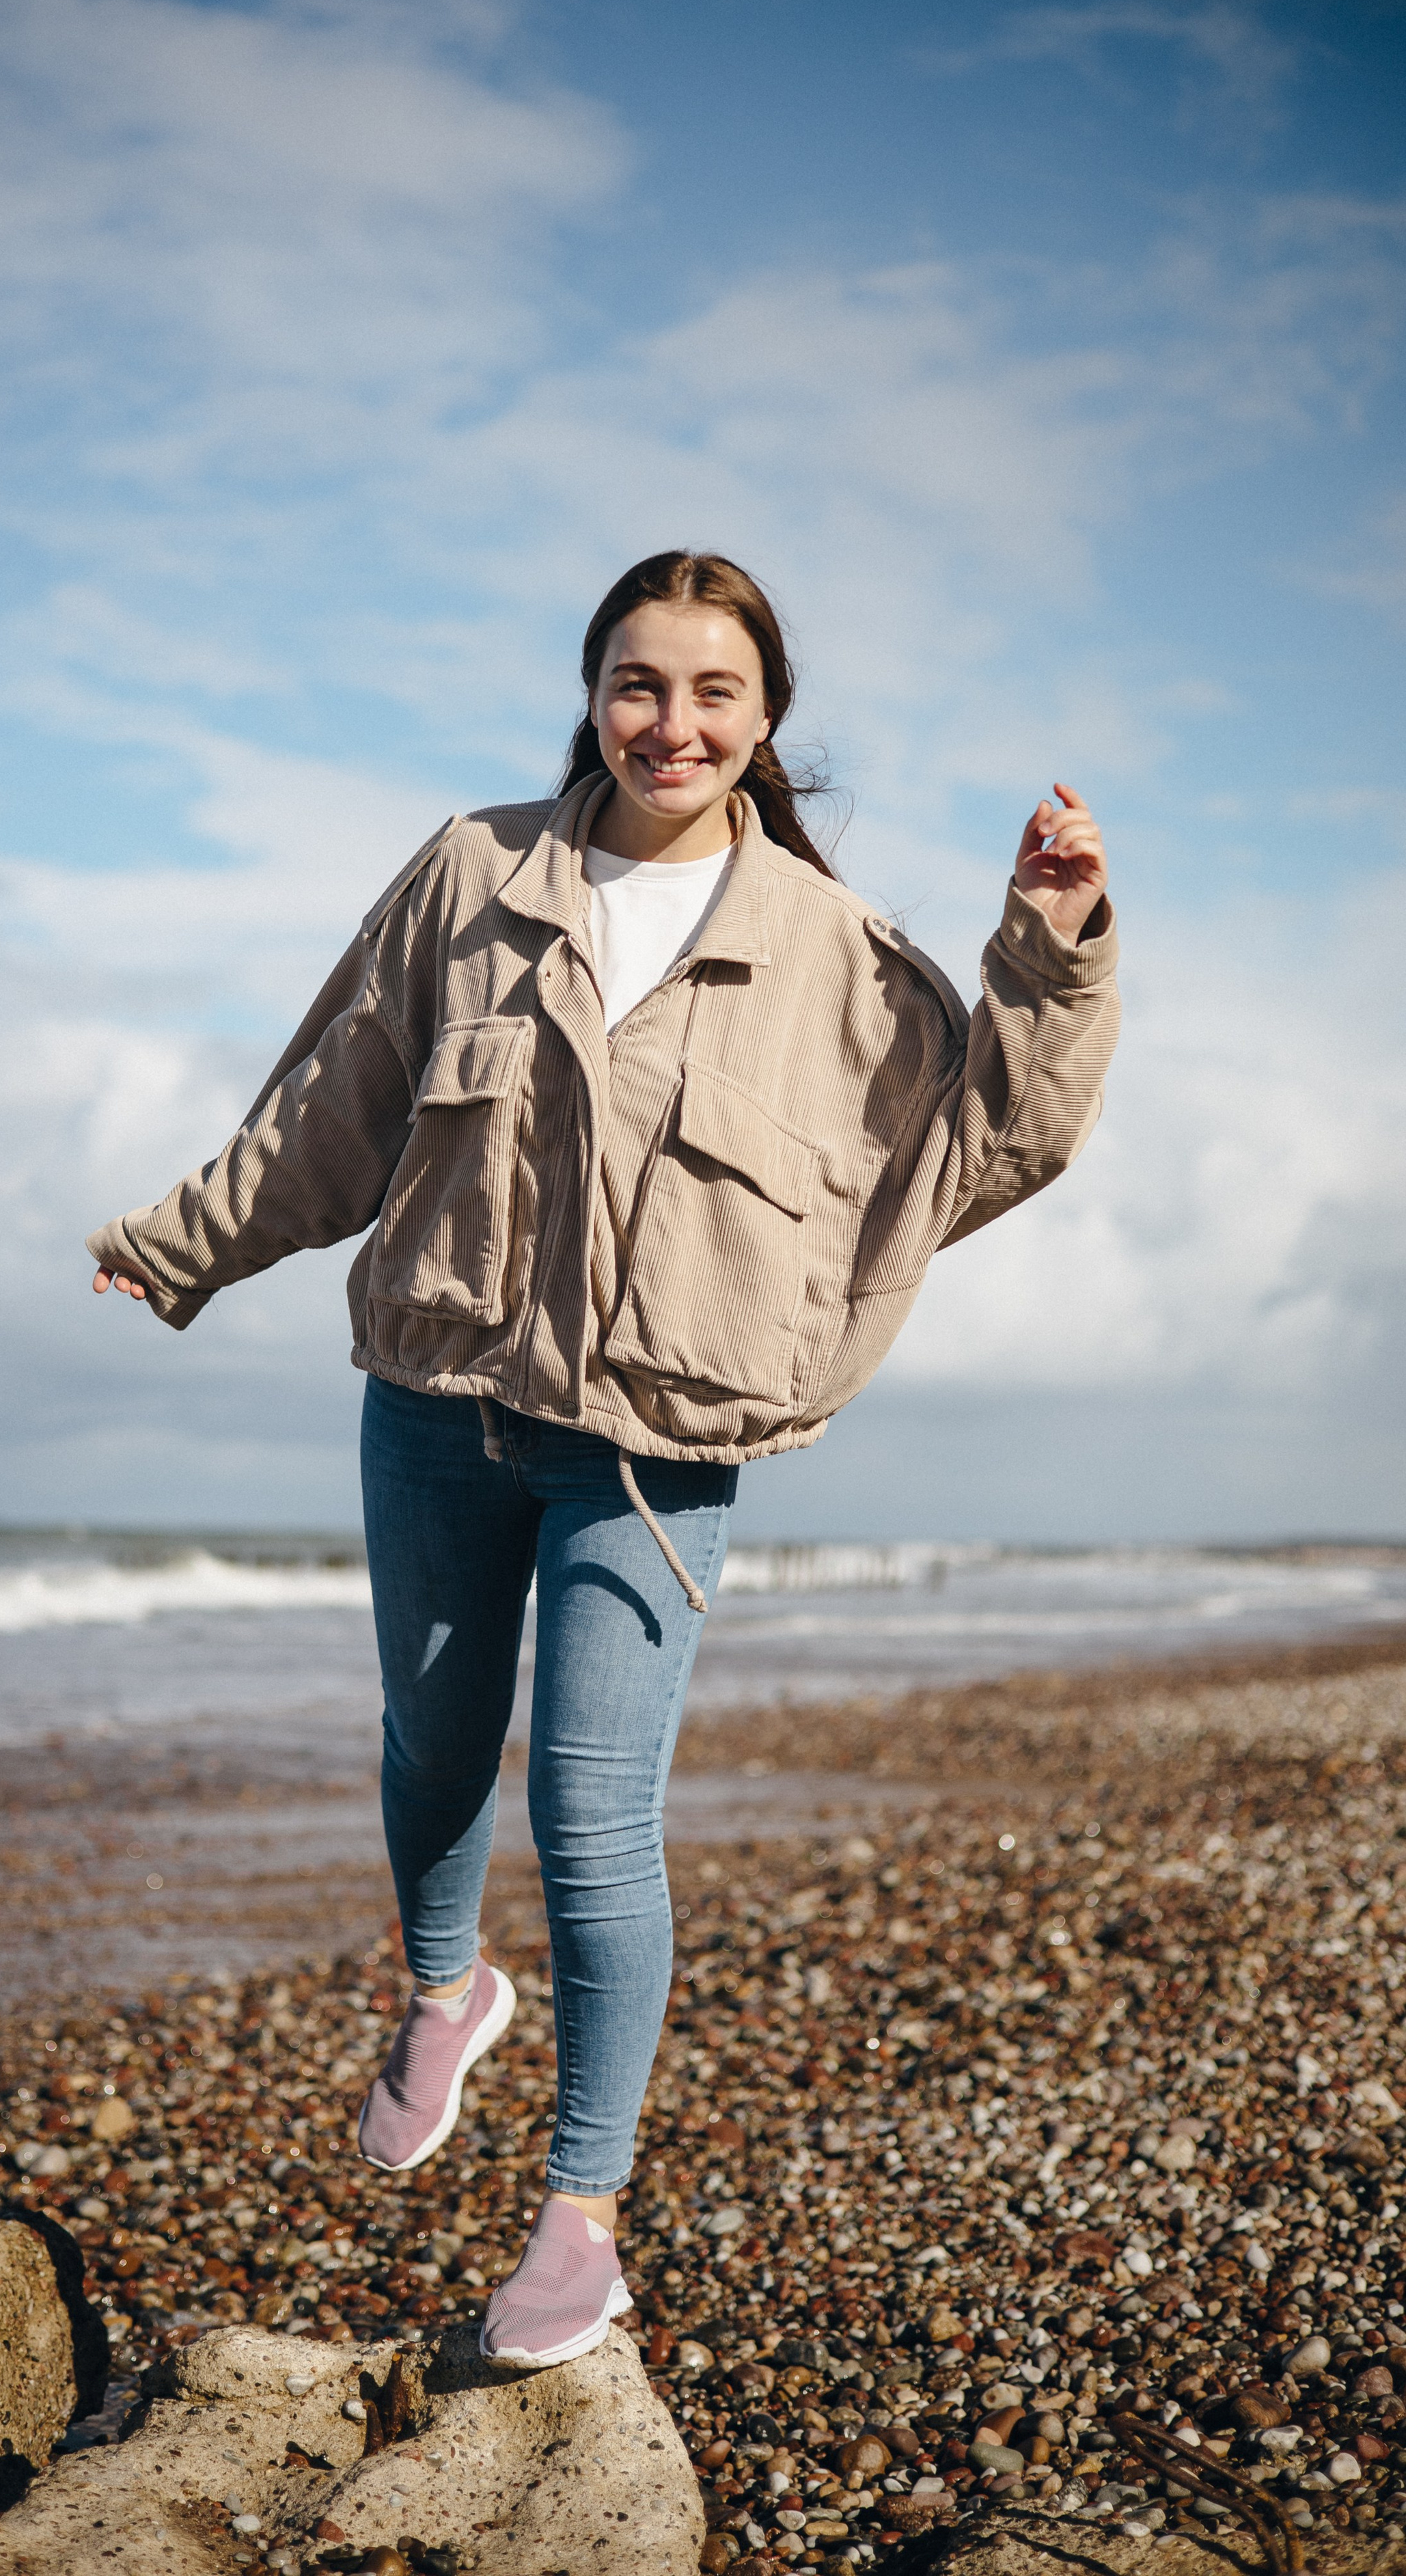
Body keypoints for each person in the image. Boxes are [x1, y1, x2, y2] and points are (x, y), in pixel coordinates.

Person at [86, 549, 1118, 2370]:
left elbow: (990, 1142)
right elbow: (331, 1104)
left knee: (593, 1816)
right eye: (641, 685)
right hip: (433, 1400)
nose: (675, 724)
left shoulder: (842, 952)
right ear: (593, 692)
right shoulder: (476, 874)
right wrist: (182, 1240)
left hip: (650, 1449)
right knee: (426, 1742)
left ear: (766, 718)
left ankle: (582, 2217)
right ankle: (443, 1989)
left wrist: (1048, 941)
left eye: (716, 693)